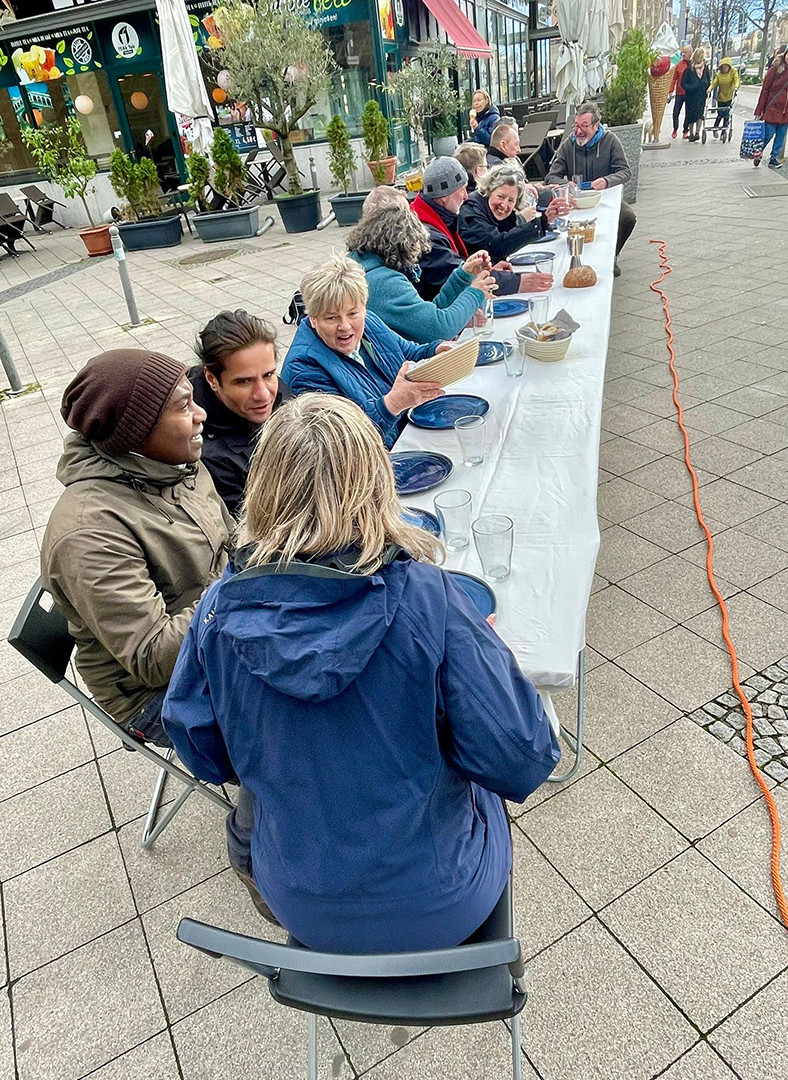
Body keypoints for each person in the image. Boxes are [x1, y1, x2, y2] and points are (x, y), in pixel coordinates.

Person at [162, 394, 560, 953]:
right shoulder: (431, 599)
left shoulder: (216, 610)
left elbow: (203, 753)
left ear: (265, 487)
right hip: (441, 907)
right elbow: (522, 759)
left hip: (300, 904)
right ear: (377, 481)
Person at [41, 349, 233, 748]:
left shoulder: (176, 465)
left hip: (215, 631)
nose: (201, 415)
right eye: (184, 406)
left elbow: (231, 541)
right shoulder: (88, 534)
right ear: (136, 432)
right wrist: (240, 589)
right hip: (157, 696)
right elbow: (153, 657)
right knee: (309, 714)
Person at [281, 254, 450, 449]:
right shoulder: (303, 367)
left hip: (409, 436)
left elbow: (406, 351)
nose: (345, 326)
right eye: (331, 318)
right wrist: (392, 404)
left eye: (353, 313)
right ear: (313, 319)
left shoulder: (368, 321)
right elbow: (341, 441)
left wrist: (436, 349)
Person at [190, 310, 292, 517]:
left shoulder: (278, 394)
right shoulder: (205, 454)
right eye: (244, 382)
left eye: (269, 374)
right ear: (212, 379)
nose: (263, 395)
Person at [347, 204, 497, 343]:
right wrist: (475, 293)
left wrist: (463, 276)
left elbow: (427, 318)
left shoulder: (368, 270)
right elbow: (440, 329)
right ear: (406, 245)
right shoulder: (385, 283)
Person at [411, 157, 550, 299]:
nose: (466, 196)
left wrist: (484, 270)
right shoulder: (425, 234)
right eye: (462, 190)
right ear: (444, 196)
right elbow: (457, 277)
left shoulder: (440, 216)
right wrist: (517, 282)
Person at [544, 101, 636, 276]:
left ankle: (612, 255)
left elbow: (625, 171)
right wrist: (565, 184)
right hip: (575, 199)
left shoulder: (610, 141)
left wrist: (606, 181)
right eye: (576, 126)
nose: (578, 131)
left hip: (603, 196)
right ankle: (572, 261)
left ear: (596, 126)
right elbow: (551, 176)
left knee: (628, 217)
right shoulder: (567, 145)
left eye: (584, 126)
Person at [458, 161, 569, 263]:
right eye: (501, 196)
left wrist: (545, 220)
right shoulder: (471, 210)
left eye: (511, 200)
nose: (504, 204)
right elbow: (497, 245)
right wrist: (542, 222)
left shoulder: (500, 212)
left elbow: (511, 236)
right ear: (489, 191)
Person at [755, 45, 788, 169]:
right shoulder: (775, 69)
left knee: (780, 137)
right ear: (785, 54)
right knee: (768, 134)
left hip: (786, 112)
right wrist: (759, 109)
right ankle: (757, 152)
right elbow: (765, 90)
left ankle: (773, 159)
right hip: (773, 108)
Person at [682, 49, 711, 141]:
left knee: (700, 114)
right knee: (690, 114)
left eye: (701, 57)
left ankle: (697, 132)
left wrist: (706, 87)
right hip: (691, 96)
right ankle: (691, 133)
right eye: (698, 57)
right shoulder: (689, 69)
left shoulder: (705, 68)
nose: (700, 59)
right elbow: (683, 83)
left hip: (701, 96)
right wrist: (691, 87)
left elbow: (708, 80)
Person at [710, 58, 740, 137]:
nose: (725, 68)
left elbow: (736, 80)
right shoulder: (718, 75)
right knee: (720, 114)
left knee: (727, 114)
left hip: (729, 95)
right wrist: (710, 89)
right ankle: (715, 127)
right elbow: (714, 83)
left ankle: (724, 131)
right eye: (723, 67)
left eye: (727, 66)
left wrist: (736, 87)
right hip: (721, 96)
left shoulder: (733, 72)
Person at [670, 45, 693, 138]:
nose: (683, 54)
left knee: (688, 112)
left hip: (689, 93)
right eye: (682, 52)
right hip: (679, 92)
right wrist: (670, 91)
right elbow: (674, 79)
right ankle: (675, 128)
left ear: (690, 53)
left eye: (685, 52)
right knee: (675, 112)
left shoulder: (693, 65)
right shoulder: (679, 65)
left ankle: (685, 130)